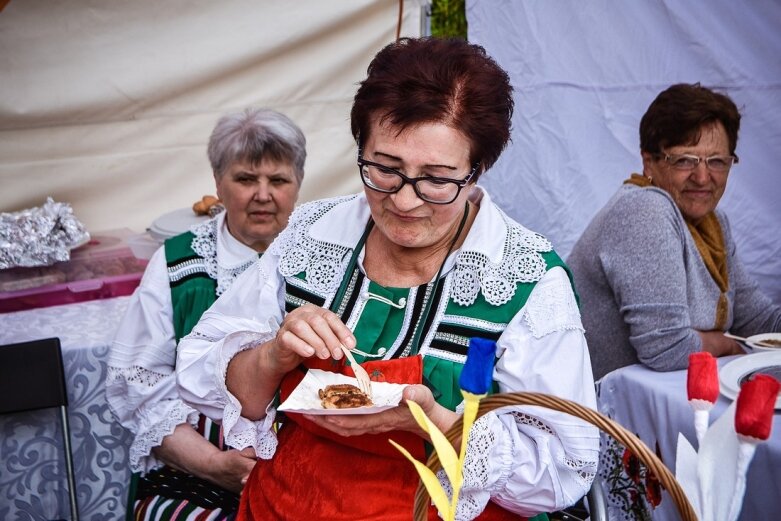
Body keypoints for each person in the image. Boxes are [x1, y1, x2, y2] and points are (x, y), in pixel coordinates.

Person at [176, 37, 599, 520]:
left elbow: (565, 469)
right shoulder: (316, 236)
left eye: (437, 178)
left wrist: (435, 423)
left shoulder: (525, 279)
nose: (404, 201)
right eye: (384, 168)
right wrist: (275, 354)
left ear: (477, 169)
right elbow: (199, 376)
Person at [106, 107, 306, 520]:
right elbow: (142, 389)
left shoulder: (325, 258)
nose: (263, 195)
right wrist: (216, 466)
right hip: (198, 472)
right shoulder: (178, 263)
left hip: (305, 466)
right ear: (218, 183)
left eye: (279, 180)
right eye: (246, 179)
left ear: (298, 184)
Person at [567, 83, 781, 380]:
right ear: (649, 162)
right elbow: (666, 348)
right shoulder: (644, 209)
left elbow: (759, 320)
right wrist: (725, 344)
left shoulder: (712, 224)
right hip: (601, 414)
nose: (703, 177)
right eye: (684, 161)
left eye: (717, 161)